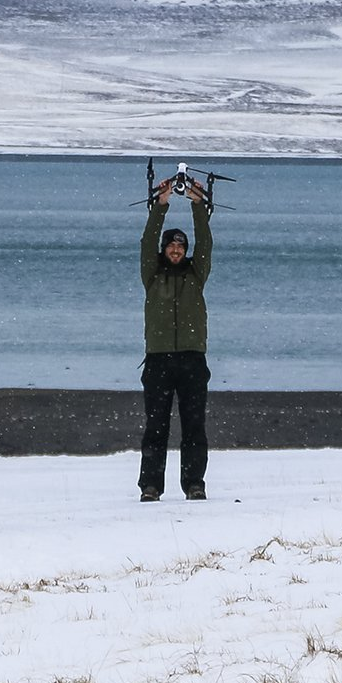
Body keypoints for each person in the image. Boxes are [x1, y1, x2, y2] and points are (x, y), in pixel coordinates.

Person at [138, 174, 213, 501]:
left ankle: (194, 485)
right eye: (171, 245)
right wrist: (161, 205)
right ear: (164, 249)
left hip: (193, 360)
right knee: (156, 427)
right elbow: (146, 241)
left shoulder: (197, 275)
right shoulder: (151, 275)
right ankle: (151, 487)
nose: (176, 250)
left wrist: (198, 205)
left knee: (194, 426)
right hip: (157, 360)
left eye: (181, 246)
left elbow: (206, 244)